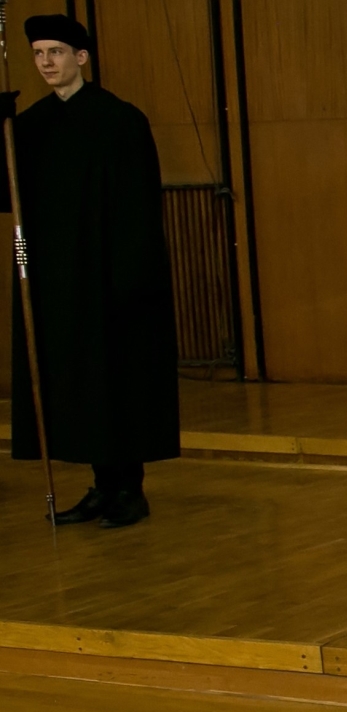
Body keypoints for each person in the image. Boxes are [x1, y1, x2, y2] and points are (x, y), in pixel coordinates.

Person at [6, 14, 177, 529]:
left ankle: (129, 489)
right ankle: (102, 486)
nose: (46, 63)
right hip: (59, 280)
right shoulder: (31, 126)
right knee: (80, 385)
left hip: (110, 274)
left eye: (56, 52)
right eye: (39, 54)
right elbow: (9, 194)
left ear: (81, 57)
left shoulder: (120, 120)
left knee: (118, 379)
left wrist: (132, 275)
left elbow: (139, 204)